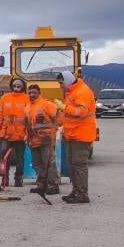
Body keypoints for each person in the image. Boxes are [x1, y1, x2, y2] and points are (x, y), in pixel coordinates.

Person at [56, 72, 97, 204]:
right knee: (72, 165)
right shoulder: (71, 92)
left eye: (61, 83)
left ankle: (82, 194)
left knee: (79, 165)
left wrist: (64, 107)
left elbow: (82, 112)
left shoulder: (82, 92)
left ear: (67, 81)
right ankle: (76, 190)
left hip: (81, 135)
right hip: (72, 134)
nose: (60, 86)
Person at [24, 84, 60, 195]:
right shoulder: (28, 107)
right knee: (37, 164)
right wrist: (27, 136)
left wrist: (53, 131)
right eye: (29, 93)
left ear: (39, 93)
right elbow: (27, 124)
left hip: (46, 140)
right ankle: (41, 185)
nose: (31, 94)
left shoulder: (47, 104)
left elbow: (58, 119)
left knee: (49, 163)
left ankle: (53, 186)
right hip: (33, 140)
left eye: (34, 92)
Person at [0, 77, 30, 187]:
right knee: (4, 158)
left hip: (20, 134)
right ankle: (5, 180)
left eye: (19, 86)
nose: (16, 88)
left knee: (20, 159)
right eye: (14, 86)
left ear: (22, 87)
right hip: (6, 133)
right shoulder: (5, 98)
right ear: (11, 86)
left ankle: (18, 179)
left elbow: (29, 118)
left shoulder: (26, 99)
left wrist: (27, 133)